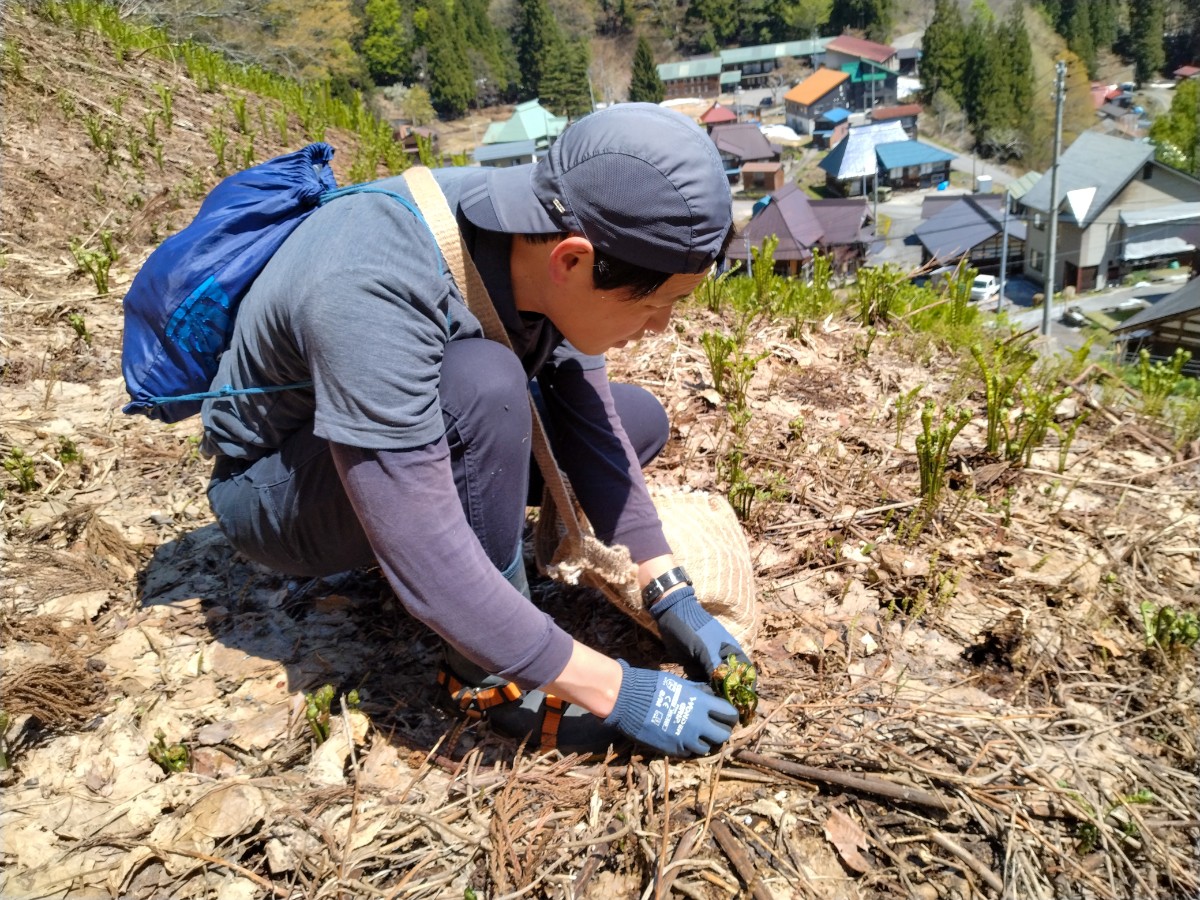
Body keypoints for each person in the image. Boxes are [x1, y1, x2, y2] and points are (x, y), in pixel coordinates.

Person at [200, 103, 752, 758]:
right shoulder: (372, 282)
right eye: (656, 303)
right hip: (273, 492)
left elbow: (595, 429)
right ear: (573, 261)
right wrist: (613, 687)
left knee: (636, 421)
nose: (660, 326)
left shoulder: (544, 230)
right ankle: (482, 677)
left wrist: (669, 594)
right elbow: (420, 546)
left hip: (394, 437)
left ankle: (490, 573)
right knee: (483, 387)